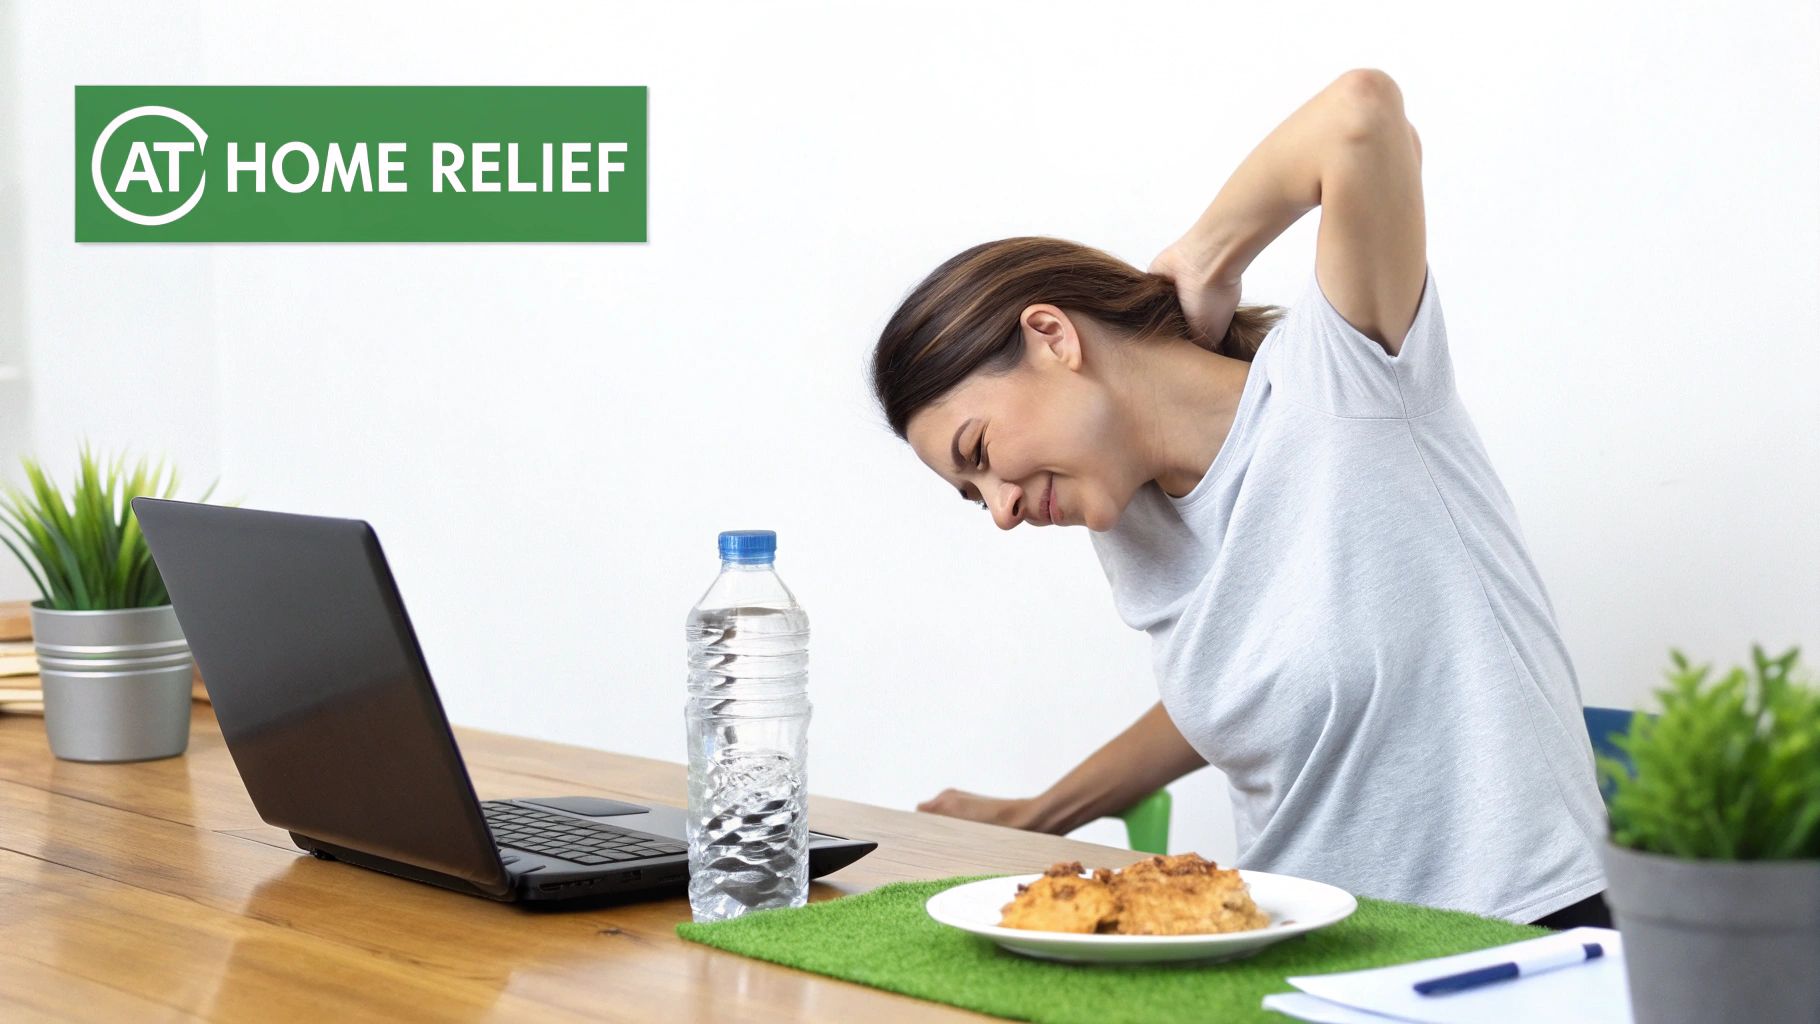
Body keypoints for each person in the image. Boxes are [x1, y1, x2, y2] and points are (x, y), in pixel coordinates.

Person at [868, 69, 1609, 928]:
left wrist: (1208, 255)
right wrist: (1043, 812)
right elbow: (1267, 687)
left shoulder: (1342, 381)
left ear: (1052, 336)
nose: (999, 509)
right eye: (974, 496)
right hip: (1302, 942)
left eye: (981, 454)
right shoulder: (1131, 517)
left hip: (1516, 930)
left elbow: (1363, 117)